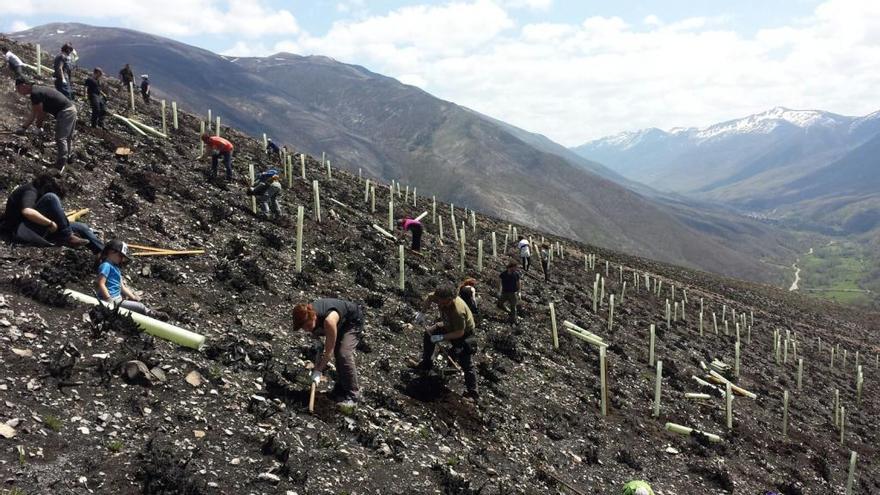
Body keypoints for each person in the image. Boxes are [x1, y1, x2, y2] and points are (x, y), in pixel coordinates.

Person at [0, 174, 103, 253]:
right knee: (51, 198)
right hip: (21, 229)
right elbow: (27, 211)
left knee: (81, 227)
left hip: (34, 228)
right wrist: (50, 223)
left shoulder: (37, 193)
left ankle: (103, 253)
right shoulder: (31, 190)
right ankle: (68, 237)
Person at [410, 284, 479, 400]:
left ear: (450, 299)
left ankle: (473, 394)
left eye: (443, 302)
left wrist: (440, 337)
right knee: (429, 334)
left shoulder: (458, 311)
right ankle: (426, 364)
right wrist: (422, 313)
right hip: (447, 325)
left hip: (463, 333)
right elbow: (429, 297)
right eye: (439, 302)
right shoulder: (439, 297)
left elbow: (459, 333)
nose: (440, 304)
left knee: (466, 362)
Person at [292, 299, 365, 404]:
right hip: (339, 322)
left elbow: (328, 352)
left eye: (307, 326)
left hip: (352, 321)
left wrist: (318, 371)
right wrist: (317, 352)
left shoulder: (329, 320)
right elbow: (318, 341)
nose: (306, 330)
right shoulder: (306, 314)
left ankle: (353, 396)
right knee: (337, 351)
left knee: (343, 353)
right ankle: (340, 389)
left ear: (314, 317)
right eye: (303, 328)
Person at [96, 240, 168, 319]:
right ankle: (153, 315)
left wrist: (133, 297)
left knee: (138, 304)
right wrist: (108, 299)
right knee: (140, 307)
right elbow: (101, 283)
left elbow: (122, 287)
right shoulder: (106, 265)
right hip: (111, 299)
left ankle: (150, 311)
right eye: (120, 256)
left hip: (118, 299)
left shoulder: (116, 268)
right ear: (111, 251)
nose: (122, 259)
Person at [15, 79, 77, 171]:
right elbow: (35, 113)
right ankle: (67, 158)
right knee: (67, 137)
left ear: (24, 85)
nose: (19, 92)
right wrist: (24, 128)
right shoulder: (37, 91)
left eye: (18, 89)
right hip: (71, 109)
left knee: (61, 138)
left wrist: (39, 126)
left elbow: (40, 113)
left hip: (65, 111)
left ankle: (60, 164)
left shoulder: (35, 93)